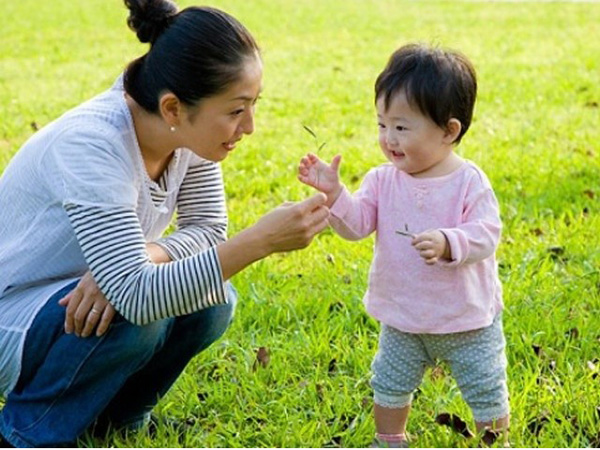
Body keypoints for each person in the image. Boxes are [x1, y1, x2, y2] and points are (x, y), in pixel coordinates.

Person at [0, 0, 330, 447]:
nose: (249, 126)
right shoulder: (92, 146)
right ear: (173, 107)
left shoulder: (186, 136)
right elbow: (136, 297)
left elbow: (208, 231)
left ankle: (117, 422)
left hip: (74, 299)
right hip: (14, 314)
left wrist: (140, 259)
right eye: (236, 110)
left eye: (253, 105)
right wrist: (260, 242)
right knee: (140, 315)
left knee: (210, 297)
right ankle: (27, 431)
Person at [298, 43, 509, 447]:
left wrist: (451, 241)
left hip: (464, 319)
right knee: (389, 384)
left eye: (401, 127)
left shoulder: (468, 182)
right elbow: (357, 226)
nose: (388, 139)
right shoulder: (383, 179)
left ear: (449, 131)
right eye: (381, 125)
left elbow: (487, 233)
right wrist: (335, 195)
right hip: (402, 317)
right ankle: (390, 439)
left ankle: (494, 440)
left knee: (486, 387)